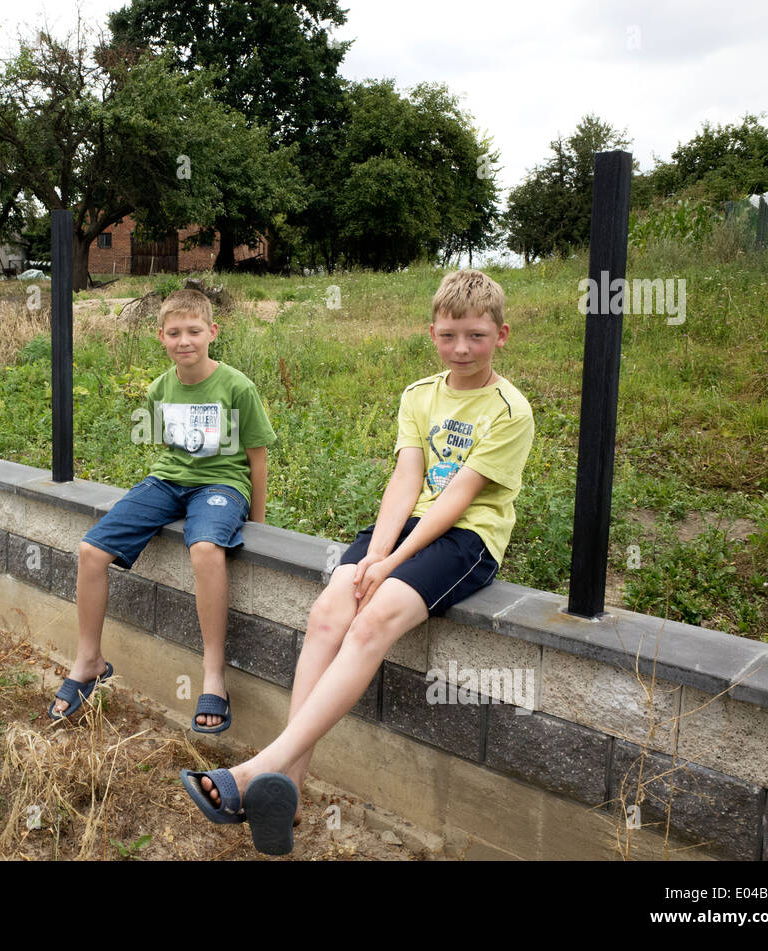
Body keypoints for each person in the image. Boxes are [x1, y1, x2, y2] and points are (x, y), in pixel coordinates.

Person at [182, 269, 535, 855]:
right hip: (402, 530)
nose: (461, 349)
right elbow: (408, 478)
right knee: (327, 614)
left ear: (502, 334)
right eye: (448, 336)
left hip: (465, 539)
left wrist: (393, 560)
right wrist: (375, 554)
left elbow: (458, 497)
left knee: (371, 621)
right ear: (432, 333)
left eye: (475, 335)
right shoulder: (420, 394)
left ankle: (254, 772)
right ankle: (288, 785)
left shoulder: (508, 409)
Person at [50, 288, 277, 732]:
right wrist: (160, 495)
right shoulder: (159, 388)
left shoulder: (237, 386)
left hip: (222, 484)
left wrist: (260, 522)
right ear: (161, 337)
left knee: (206, 549)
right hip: (168, 481)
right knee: (91, 551)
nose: (184, 340)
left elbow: (258, 457)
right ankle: (89, 659)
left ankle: (213, 675)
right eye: (174, 332)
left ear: (212, 332)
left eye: (194, 330)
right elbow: (170, 451)